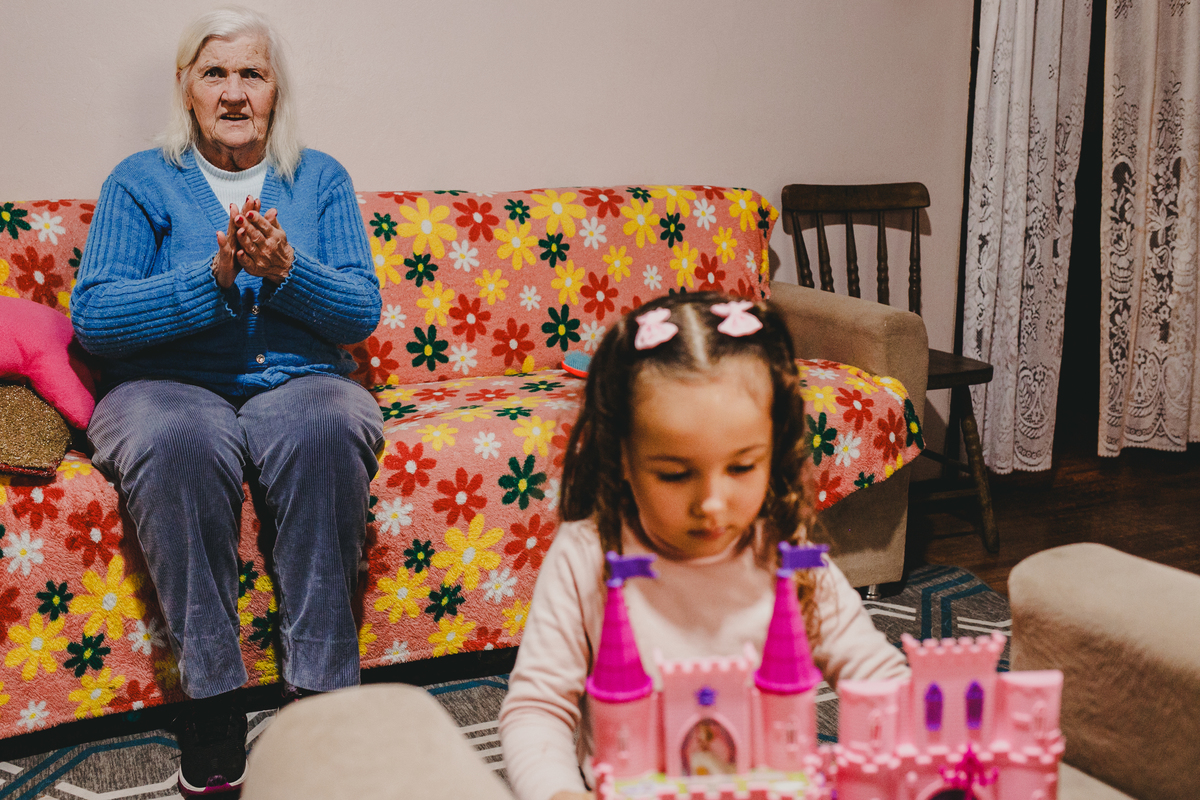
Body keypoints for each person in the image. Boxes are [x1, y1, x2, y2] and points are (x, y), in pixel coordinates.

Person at [71, 7, 381, 796]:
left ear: (276, 90)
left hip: (299, 382)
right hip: (165, 388)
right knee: (176, 441)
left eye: (252, 73)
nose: (234, 92)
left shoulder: (321, 178)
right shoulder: (140, 181)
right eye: (215, 72)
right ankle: (213, 704)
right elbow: (96, 317)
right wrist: (209, 283)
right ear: (186, 86)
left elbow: (360, 311)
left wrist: (288, 273)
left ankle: (320, 697)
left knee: (333, 425)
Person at [497, 292, 910, 800]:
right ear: (621, 455)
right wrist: (558, 793)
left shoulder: (783, 548)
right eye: (675, 474)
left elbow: (874, 672)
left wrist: (915, 744)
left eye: (742, 467)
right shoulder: (587, 554)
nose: (712, 504)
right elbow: (537, 710)